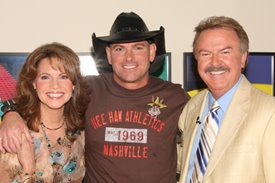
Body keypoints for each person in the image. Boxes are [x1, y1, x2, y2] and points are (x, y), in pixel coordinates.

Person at [0, 12, 190, 183]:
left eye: (138, 48)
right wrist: (10, 114)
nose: (129, 57)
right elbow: (41, 94)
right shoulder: (88, 89)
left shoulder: (175, 96)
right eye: (119, 49)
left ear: (152, 52)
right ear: (108, 55)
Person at [178, 16, 275, 183]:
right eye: (206, 53)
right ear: (196, 60)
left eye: (225, 52)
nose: (215, 62)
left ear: (243, 58)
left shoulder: (269, 113)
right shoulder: (191, 108)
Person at [0, 42, 90, 182]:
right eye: (45, 77)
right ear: (34, 84)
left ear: (73, 84)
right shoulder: (15, 134)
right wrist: (28, 170)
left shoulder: (80, 133)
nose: (55, 86)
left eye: (63, 77)